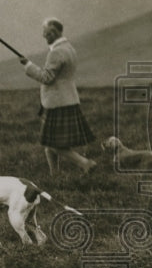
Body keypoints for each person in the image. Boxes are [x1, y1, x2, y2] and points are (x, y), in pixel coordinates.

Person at [19, 18, 96, 175]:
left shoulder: (56, 52)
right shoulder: (69, 48)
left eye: (47, 34)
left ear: (55, 33)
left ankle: (85, 163)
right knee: (50, 144)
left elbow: (47, 78)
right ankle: (54, 175)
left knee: (54, 145)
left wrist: (28, 65)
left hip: (58, 103)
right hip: (67, 100)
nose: (44, 36)